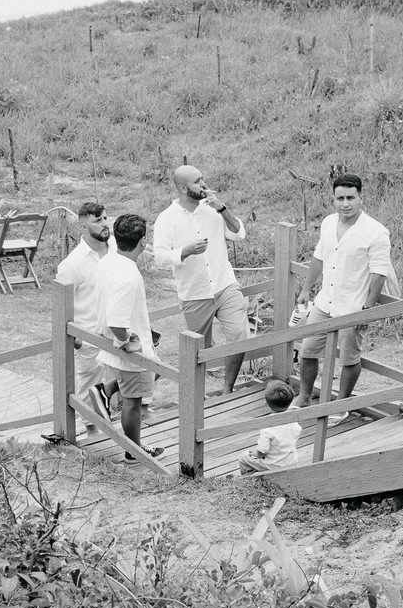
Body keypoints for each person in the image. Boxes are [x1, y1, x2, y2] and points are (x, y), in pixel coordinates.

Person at [293, 174, 392, 423]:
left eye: (351, 198)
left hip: (352, 306)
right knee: (308, 349)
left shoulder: (376, 232)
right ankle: (304, 396)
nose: (345, 204)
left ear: (361, 198)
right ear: (333, 199)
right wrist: (306, 289)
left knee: (349, 356)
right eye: (340, 198)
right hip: (325, 300)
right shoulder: (328, 223)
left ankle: (341, 404)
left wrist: (366, 308)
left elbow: (379, 273)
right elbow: (318, 258)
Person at [153, 164, 250, 396]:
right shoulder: (166, 219)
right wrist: (185, 251)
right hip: (194, 293)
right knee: (198, 352)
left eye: (202, 179)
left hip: (224, 284)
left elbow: (239, 233)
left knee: (239, 336)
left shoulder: (213, 209)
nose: (204, 184)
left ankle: (228, 389)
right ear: (183, 188)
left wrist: (222, 208)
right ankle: (197, 398)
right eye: (198, 181)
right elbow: (159, 258)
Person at [91, 214, 165, 465]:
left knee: (156, 370)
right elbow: (116, 320)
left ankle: (106, 389)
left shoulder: (109, 259)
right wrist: (127, 340)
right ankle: (133, 452)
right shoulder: (129, 277)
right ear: (143, 242)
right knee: (132, 403)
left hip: (113, 339)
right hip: (126, 348)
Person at [55, 202, 110, 432]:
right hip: (90, 337)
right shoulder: (71, 264)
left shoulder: (116, 250)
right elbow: (61, 307)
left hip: (118, 332)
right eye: (97, 220)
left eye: (106, 218)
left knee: (138, 377)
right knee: (88, 391)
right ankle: (93, 436)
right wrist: (77, 341)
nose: (105, 224)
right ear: (83, 224)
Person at [239, 380, 303, 475]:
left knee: (243, 457)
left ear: (266, 403)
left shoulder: (267, 426)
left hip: (274, 464)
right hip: (290, 460)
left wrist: (257, 454)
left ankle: (248, 478)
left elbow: (262, 451)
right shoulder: (293, 421)